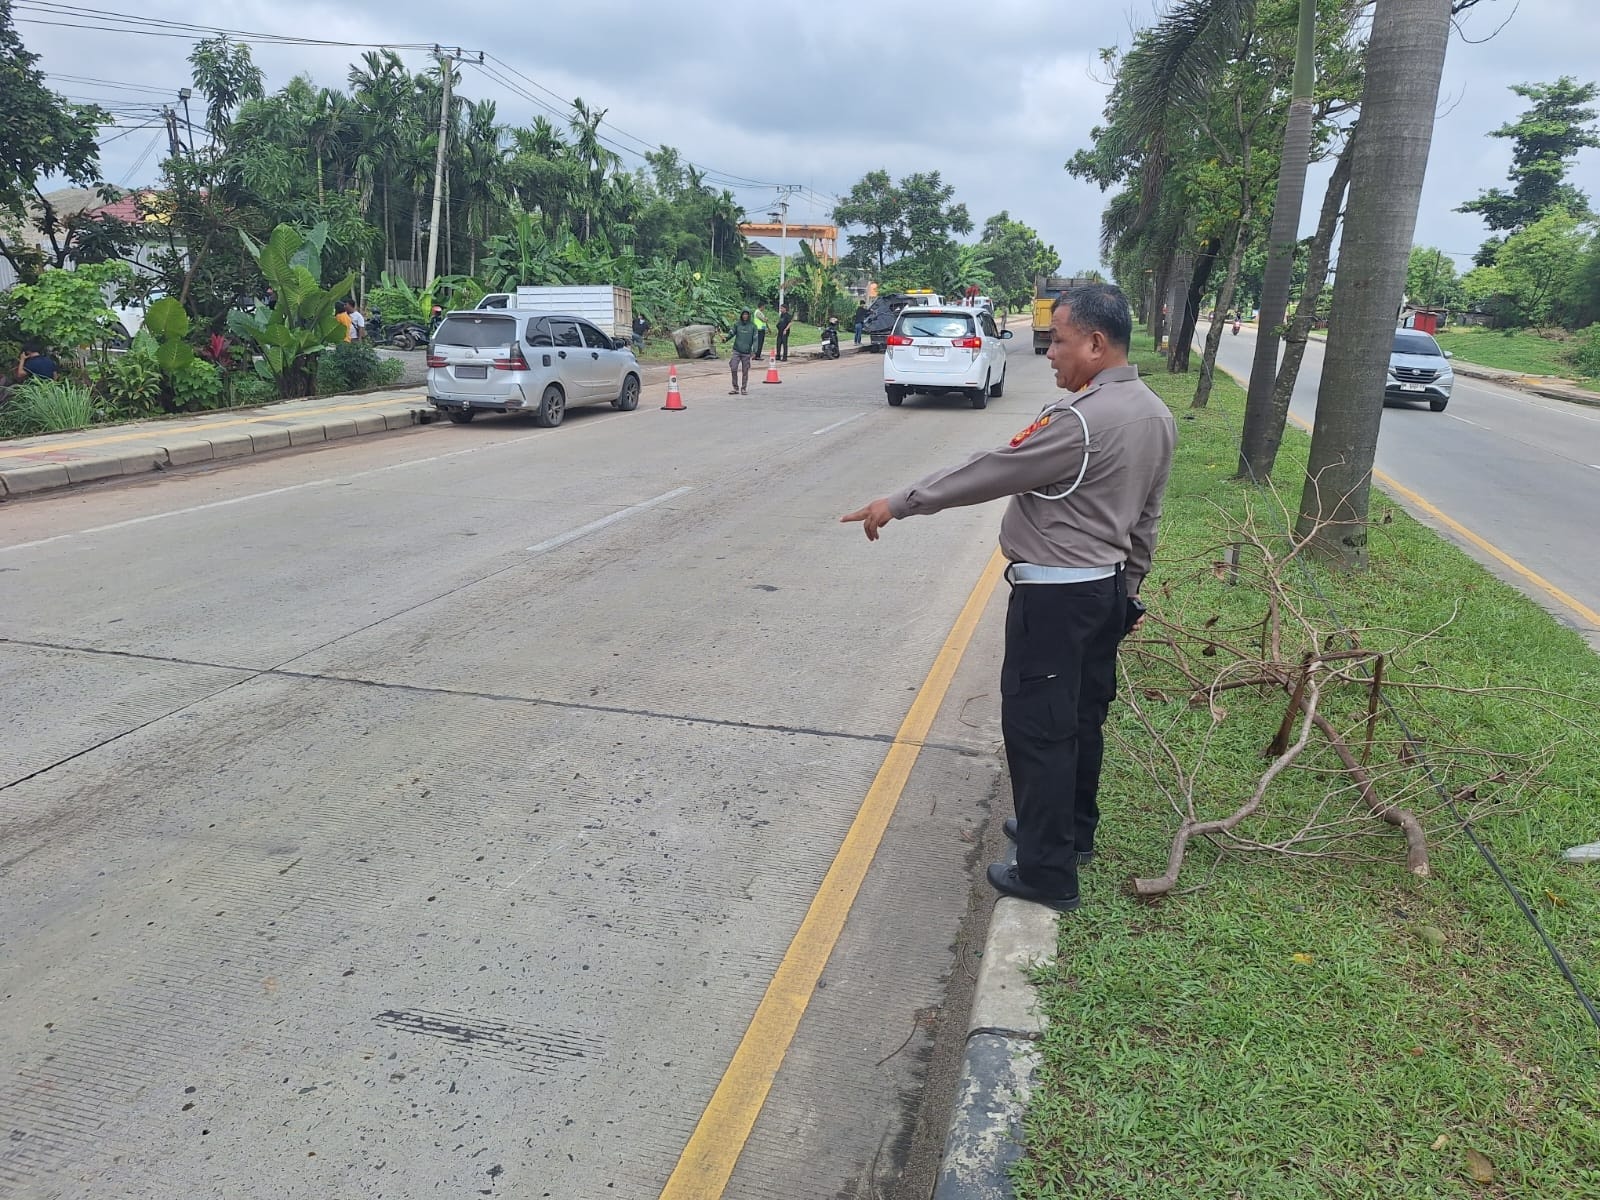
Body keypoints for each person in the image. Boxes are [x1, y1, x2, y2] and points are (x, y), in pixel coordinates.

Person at [840, 284, 1176, 913]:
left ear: (1097, 345)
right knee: (1080, 718)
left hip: (1053, 600)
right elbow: (1146, 519)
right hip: (1104, 592)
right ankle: (1069, 830)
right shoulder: (1156, 413)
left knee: (1039, 730)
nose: (1049, 353)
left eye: (1060, 341)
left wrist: (900, 502)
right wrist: (1129, 591)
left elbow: (991, 469)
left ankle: (1046, 871)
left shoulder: (1078, 422)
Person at [727, 309, 758, 394]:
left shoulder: (753, 326)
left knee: (745, 371)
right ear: (741, 315)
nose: (745, 316)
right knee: (733, 368)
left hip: (746, 352)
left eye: (746, 314)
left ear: (749, 315)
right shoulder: (737, 324)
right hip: (736, 350)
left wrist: (754, 351)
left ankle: (743, 388)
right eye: (743, 314)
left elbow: (755, 339)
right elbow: (731, 333)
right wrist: (725, 338)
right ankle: (735, 388)